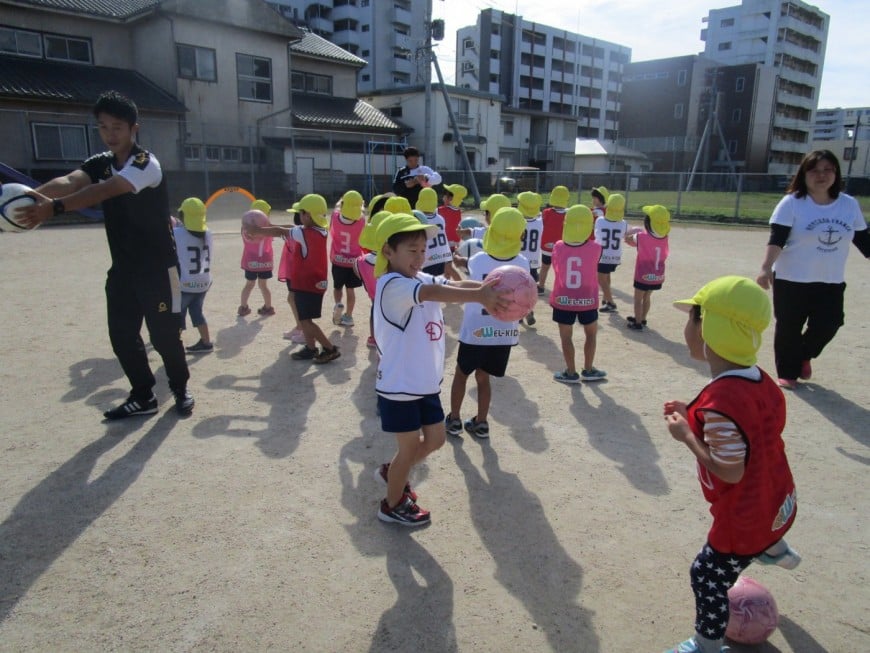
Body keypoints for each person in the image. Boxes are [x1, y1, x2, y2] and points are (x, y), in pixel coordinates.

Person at [20, 90, 193, 419]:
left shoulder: (145, 164)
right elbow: (71, 181)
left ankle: (180, 387)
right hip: (124, 269)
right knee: (122, 335)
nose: (110, 134)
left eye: (117, 127)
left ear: (133, 128)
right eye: (103, 127)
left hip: (158, 267)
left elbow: (104, 190)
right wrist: (30, 198)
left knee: (164, 335)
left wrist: (53, 209)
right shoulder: (99, 163)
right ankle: (143, 396)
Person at [663, 275, 800, 653]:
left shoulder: (723, 402)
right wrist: (689, 412)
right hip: (775, 494)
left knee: (706, 574)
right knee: (765, 521)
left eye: (692, 317)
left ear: (708, 328)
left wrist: (687, 436)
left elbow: (730, 470)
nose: (687, 326)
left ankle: (706, 645)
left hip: (744, 517)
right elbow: (748, 426)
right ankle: (774, 547)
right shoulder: (759, 380)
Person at [372, 213, 508, 526]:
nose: (420, 257)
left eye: (423, 250)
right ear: (388, 252)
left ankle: (394, 471)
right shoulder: (392, 285)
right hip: (399, 386)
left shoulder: (418, 278)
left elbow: (452, 284)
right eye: (411, 250)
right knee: (407, 448)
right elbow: (434, 294)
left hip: (424, 384)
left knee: (435, 440)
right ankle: (391, 506)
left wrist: (492, 289)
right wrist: (478, 296)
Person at [755, 149, 870, 389]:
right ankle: (788, 372)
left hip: (829, 280)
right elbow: (778, 238)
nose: (821, 175)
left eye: (828, 169)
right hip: (791, 278)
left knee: (831, 323)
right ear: (804, 174)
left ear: (836, 173)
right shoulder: (793, 203)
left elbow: (863, 240)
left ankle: (803, 355)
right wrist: (766, 268)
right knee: (789, 326)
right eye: (815, 170)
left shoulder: (848, 205)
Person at [445, 207, 530, 439]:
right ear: (520, 235)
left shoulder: (478, 259)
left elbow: (472, 268)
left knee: (461, 374)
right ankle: (481, 422)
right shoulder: (523, 262)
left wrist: (460, 259)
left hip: (476, 331)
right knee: (484, 377)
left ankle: (454, 419)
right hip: (503, 333)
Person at [251, 194, 340, 364]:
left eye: (301, 212)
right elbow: (289, 227)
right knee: (305, 319)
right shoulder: (320, 230)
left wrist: (258, 231)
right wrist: (269, 226)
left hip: (307, 284)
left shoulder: (304, 233)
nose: (299, 216)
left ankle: (329, 348)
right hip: (314, 283)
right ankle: (310, 348)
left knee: (306, 320)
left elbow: (281, 231)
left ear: (308, 215)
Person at [549, 205, 606, 383]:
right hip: (587, 299)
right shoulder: (596, 247)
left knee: (566, 336)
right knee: (591, 334)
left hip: (563, 298)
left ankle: (571, 372)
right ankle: (588, 369)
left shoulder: (558, 246)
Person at [173, 197, 214, 353]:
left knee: (177, 316)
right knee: (197, 312)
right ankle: (206, 342)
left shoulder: (177, 233)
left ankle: (173, 347)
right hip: (203, 283)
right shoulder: (208, 233)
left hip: (185, 284)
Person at [624, 205, 671, 331]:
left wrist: (631, 233)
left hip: (643, 274)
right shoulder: (664, 237)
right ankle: (642, 318)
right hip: (657, 274)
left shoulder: (641, 236)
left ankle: (638, 323)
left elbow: (628, 240)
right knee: (647, 297)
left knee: (638, 299)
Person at [353, 210, 390, 349]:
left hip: (374, 296)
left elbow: (358, 273)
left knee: (374, 314)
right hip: (392, 300)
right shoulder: (394, 260)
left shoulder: (359, 261)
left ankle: (373, 337)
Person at [329, 190, 365, 327]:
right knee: (351, 290)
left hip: (338, 260)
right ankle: (349, 316)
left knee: (338, 287)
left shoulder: (335, 216)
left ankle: (338, 303)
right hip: (354, 261)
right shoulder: (361, 221)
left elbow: (337, 210)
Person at [239, 199, 276, 318]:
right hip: (265, 261)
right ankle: (268, 307)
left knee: (249, 284)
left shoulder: (245, 229)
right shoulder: (268, 229)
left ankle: (243, 307)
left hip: (250, 261)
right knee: (263, 285)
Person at [595, 193, 629, 313]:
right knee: (607, 276)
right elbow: (625, 235)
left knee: (601, 279)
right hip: (615, 256)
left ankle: (611, 302)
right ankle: (605, 299)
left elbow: (596, 235)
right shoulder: (624, 223)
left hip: (602, 255)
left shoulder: (600, 220)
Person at [415, 187, 456, 278]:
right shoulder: (440, 218)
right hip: (442, 257)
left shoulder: (419, 220)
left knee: (429, 287)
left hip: (429, 259)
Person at [517, 191, 544, 325]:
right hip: (533, 263)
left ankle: (520, 314)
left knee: (515, 289)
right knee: (528, 290)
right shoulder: (540, 223)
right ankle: (528, 310)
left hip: (518, 262)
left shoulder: (517, 222)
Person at [537, 185, 570, 294]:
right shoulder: (568, 214)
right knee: (560, 269)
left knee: (544, 267)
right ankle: (560, 288)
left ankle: (541, 287)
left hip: (547, 246)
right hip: (561, 247)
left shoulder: (546, 212)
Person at [439, 183, 468, 251]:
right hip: (456, 243)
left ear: (450, 198)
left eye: (445, 194)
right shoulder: (458, 211)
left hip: (444, 243)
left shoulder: (440, 210)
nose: (443, 196)